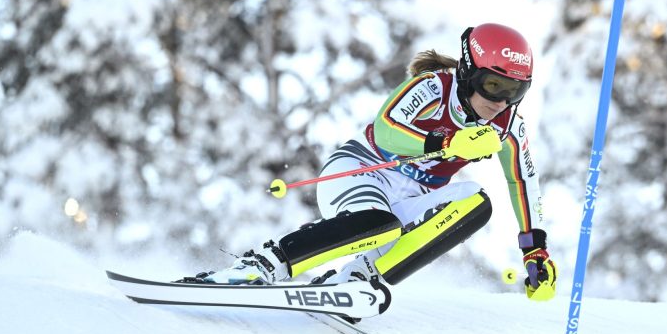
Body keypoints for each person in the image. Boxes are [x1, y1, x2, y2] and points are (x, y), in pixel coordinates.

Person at [195, 23, 557, 303]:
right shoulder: (434, 88)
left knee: (477, 202)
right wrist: (444, 141)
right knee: (379, 224)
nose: (501, 102)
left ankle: (357, 280)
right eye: (494, 86)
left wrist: (534, 249)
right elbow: (387, 130)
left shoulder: (507, 124)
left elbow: (523, 182)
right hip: (362, 171)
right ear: (468, 72)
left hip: (410, 200)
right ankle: (263, 265)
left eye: (515, 92)